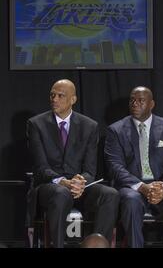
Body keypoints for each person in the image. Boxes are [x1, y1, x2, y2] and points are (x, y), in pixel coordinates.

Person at [27, 79, 119, 248]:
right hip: (51, 186)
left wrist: (79, 181)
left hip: (79, 188)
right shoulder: (36, 124)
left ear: (73, 99)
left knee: (110, 194)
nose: (54, 99)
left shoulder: (89, 126)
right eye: (52, 95)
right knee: (61, 193)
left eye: (60, 96)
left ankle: (97, 245)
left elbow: (90, 170)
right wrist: (62, 181)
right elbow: (41, 168)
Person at [105, 86, 163, 248]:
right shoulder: (116, 130)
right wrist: (142, 187)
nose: (135, 104)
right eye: (132, 100)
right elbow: (116, 167)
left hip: (160, 188)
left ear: (151, 104)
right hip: (132, 188)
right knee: (131, 201)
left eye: (141, 100)